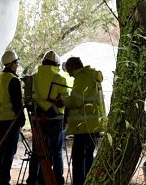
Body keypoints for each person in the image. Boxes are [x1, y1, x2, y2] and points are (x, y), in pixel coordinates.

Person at [27, 50, 69, 185]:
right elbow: (65, 101)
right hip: (55, 120)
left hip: (37, 120)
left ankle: (34, 180)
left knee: (36, 152)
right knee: (56, 152)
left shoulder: (32, 79)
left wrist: (40, 113)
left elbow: (27, 102)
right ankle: (57, 180)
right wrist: (51, 112)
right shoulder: (60, 79)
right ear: (56, 64)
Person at [62, 56, 105, 185]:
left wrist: (63, 100)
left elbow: (76, 101)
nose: (68, 73)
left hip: (84, 126)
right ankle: (88, 181)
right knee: (88, 157)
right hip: (92, 125)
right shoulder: (91, 76)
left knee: (79, 159)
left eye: (68, 69)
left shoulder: (82, 78)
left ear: (72, 66)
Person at [0, 49, 27, 185]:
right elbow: (17, 103)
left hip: (0, 120)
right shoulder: (13, 80)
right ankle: (4, 179)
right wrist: (22, 120)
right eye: (16, 63)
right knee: (10, 151)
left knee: (2, 149)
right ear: (12, 64)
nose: (17, 65)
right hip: (12, 120)